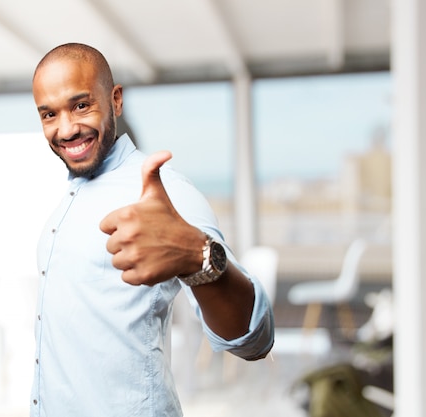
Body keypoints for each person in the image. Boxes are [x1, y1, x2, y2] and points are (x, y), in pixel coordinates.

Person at [29, 42, 274, 417]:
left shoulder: (163, 190)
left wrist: (197, 256)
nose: (66, 129)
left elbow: (255, 339)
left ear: (115, 100)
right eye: (49, 114)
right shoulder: (71, 196)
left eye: (81, 105)